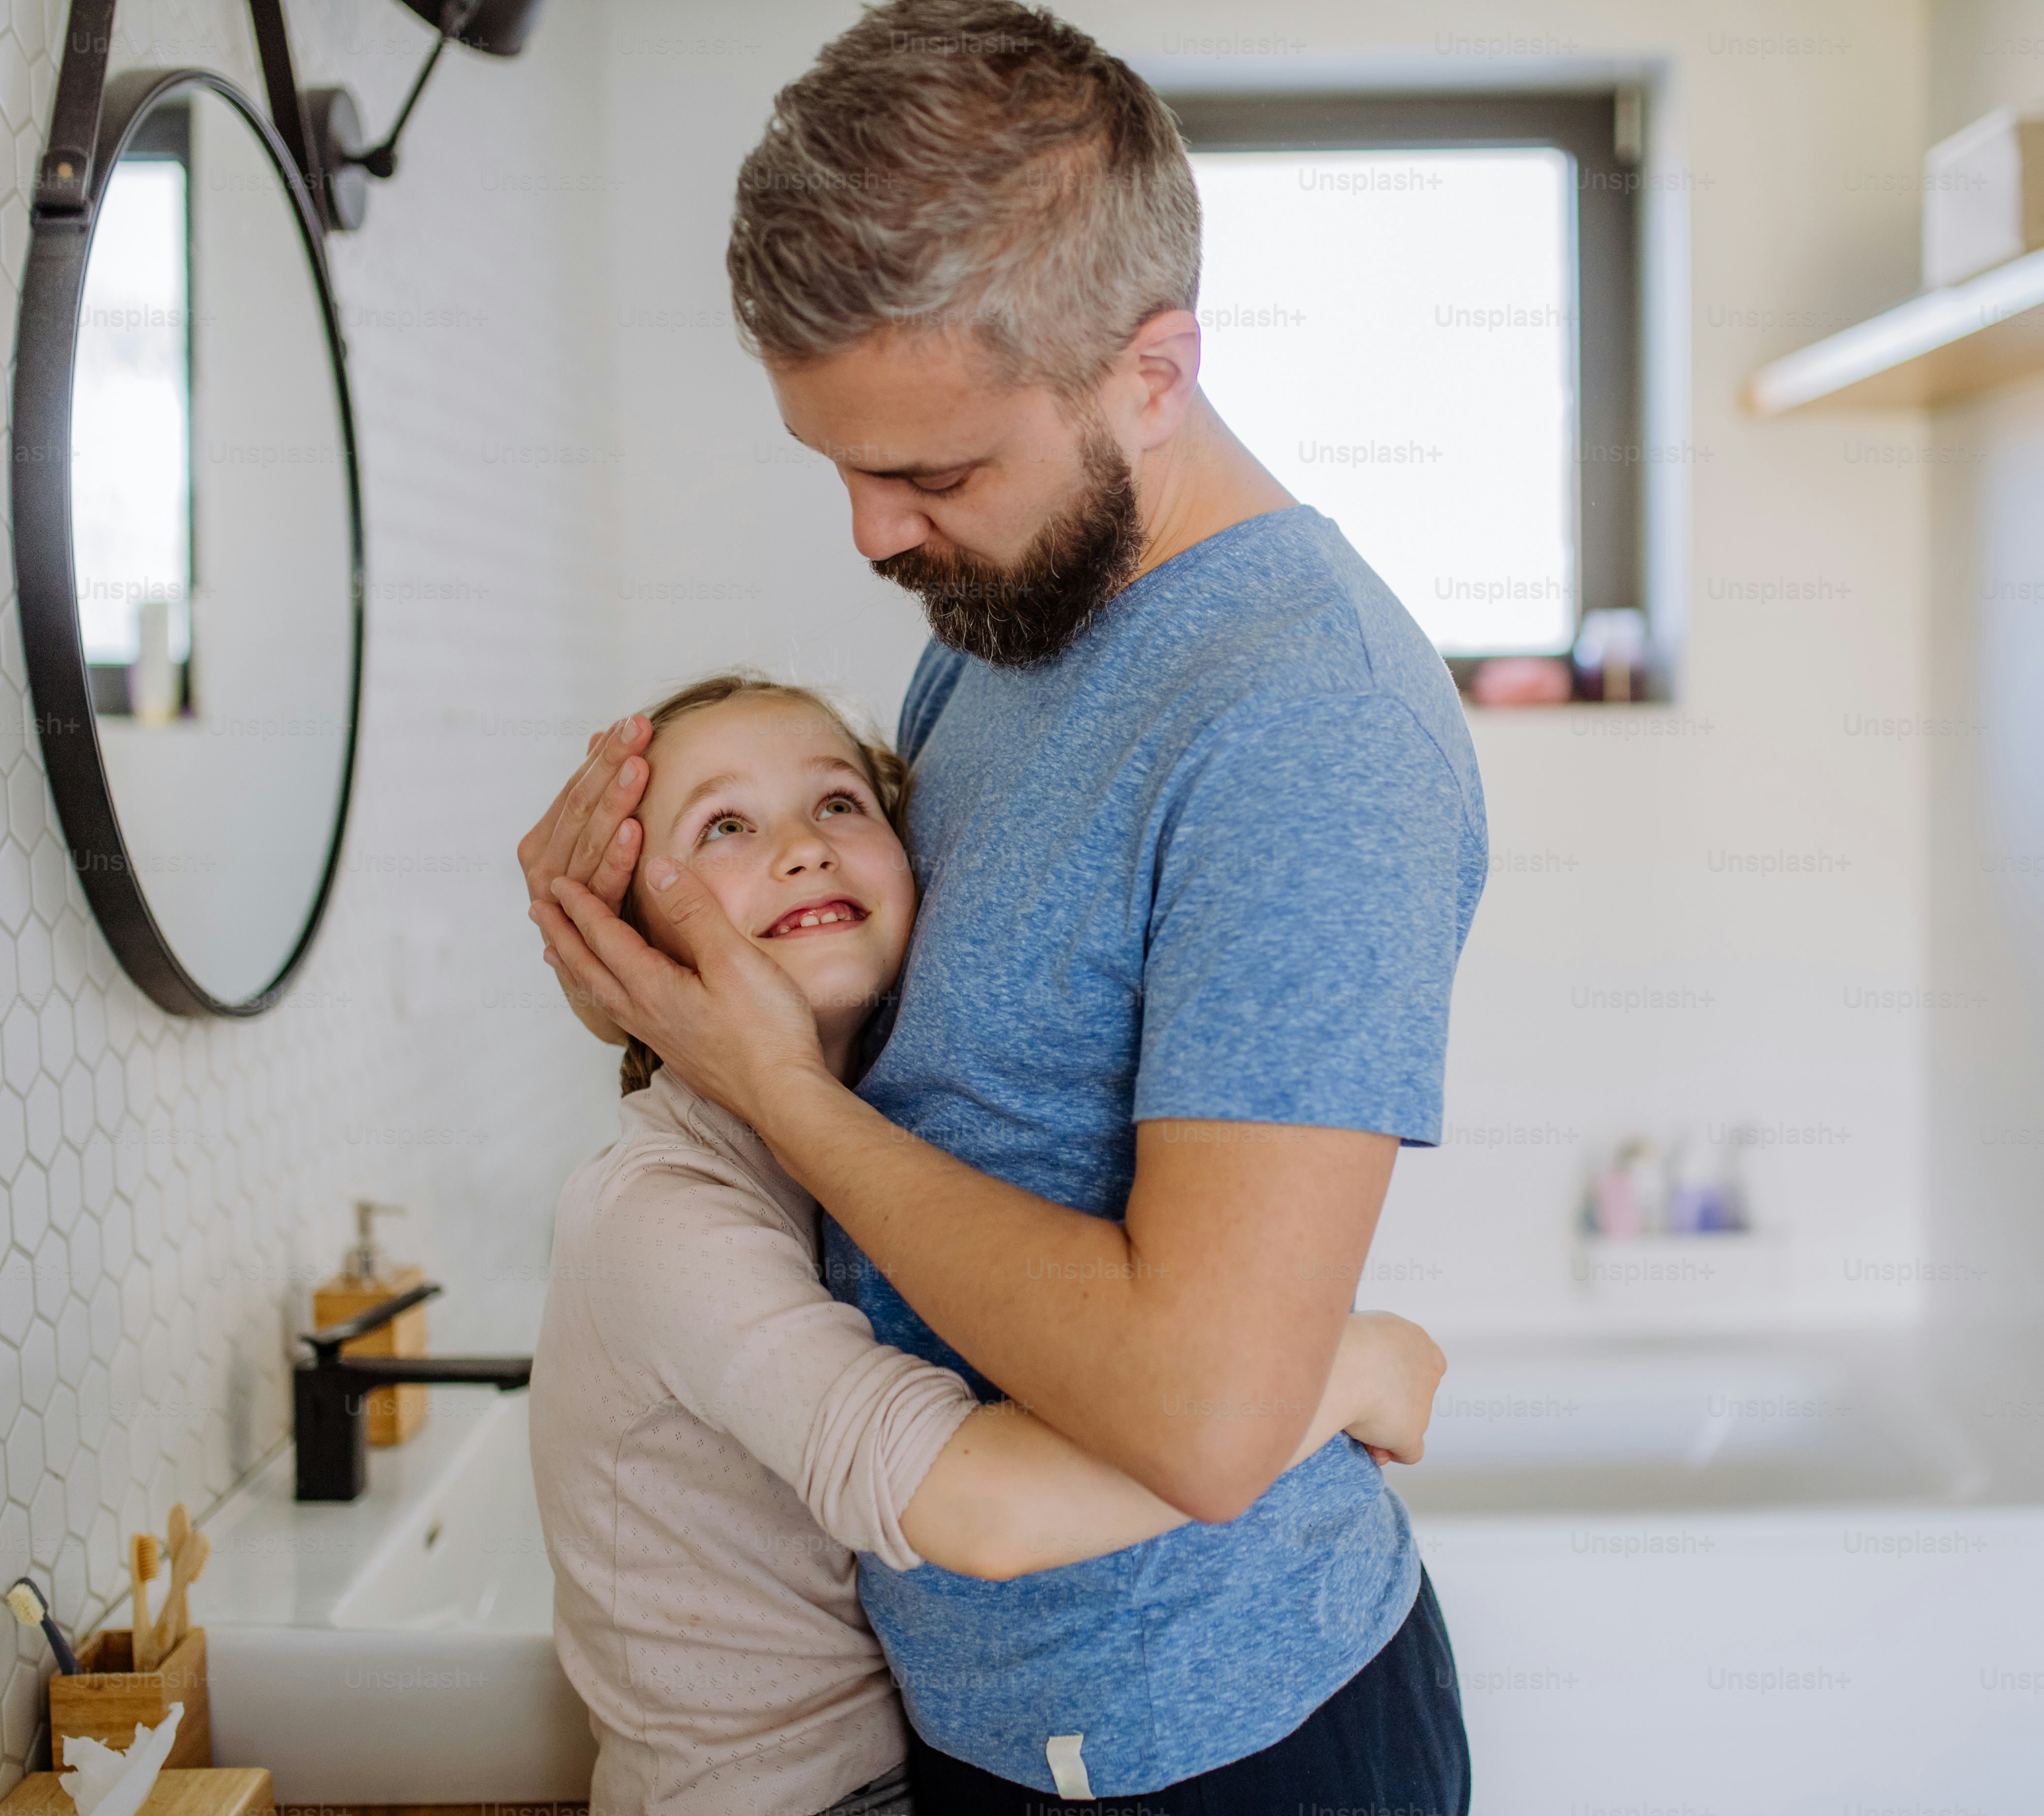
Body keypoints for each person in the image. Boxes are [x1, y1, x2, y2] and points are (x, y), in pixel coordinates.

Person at [524, 2, 1488, 1807]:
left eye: (929, 473)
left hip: (1216, 1745)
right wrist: (647, 979)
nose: (871, 538)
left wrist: (780, 1098)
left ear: (1151, 368)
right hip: (980, 1714)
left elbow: (1202, 1423)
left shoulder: (1306, 734)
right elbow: (944, 1071)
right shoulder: (1009, 626)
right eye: (840, 464)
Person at [528, 671, 1448, 1816]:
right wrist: (1351, 1365)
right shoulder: (659, 1217)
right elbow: (983, 1512)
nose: (804, 849)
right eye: (726, 825)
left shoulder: (836, 1126)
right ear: (627, 933)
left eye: (839, 803)